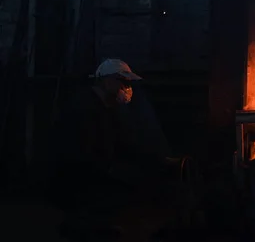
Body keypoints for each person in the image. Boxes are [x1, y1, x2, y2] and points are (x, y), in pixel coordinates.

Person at [49, 59, 187, 241]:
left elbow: (126, 144)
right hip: (80, 183)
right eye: (123, 82)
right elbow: (80, 157)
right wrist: (112, 171)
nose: (127, 88)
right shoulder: (83, 109)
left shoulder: (108, 109)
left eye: (128, 83)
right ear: (107, 81)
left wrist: (161, 160)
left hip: (97, 175)